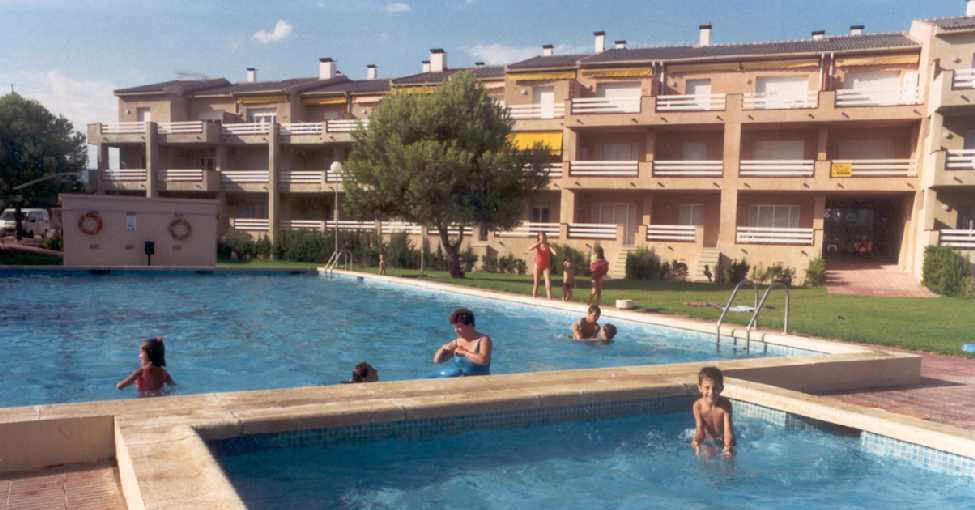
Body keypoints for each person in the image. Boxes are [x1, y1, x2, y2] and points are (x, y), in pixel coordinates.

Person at [432, 308, 492, 377]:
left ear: (470, 325)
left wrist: (464, 353)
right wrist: (443, 348)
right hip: (462, 381)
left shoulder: (483, 339)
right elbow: (437, 361)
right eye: (454, 327)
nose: (456, 330)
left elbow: (483, 360)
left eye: (458, 327)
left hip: (480, 382)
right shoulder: (457, 342)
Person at [690, 366, 735, 457]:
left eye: (715, 388)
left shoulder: (725, 405)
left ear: (721, 388)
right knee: (707, 456)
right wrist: (696, 441)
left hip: (723, 439)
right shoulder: (698, 406)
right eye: (707, 388)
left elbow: (728, 430)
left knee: (730, 458)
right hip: (708, 440)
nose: (711, 392)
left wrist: (728, 447)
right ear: (700, 388)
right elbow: (700, 429)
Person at [526, 232, 558, 300]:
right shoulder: (537, 245)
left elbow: (555, 253)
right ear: (539, 237)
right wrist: (538, 243)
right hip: (537, 264)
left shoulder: (548, 245)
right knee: (536, 283)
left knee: (548, 282)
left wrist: (549, 247)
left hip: (546, 266)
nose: (543, 237)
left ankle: (549, 298)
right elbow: (529, 248)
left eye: (544, 236)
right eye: (541, 236)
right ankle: (534, 297)